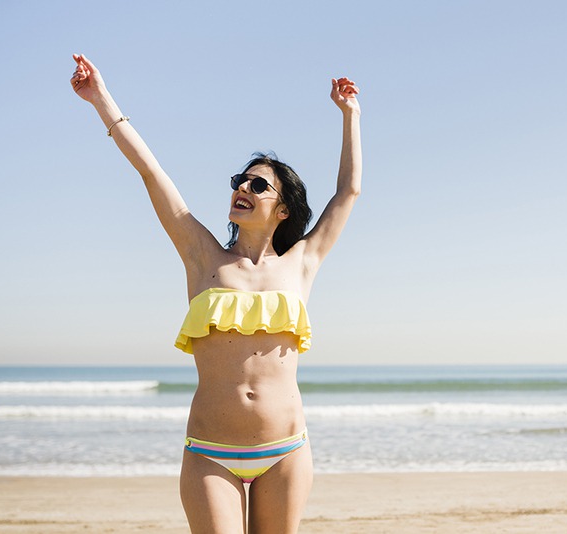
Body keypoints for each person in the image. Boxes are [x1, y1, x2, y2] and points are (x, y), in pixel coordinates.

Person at [70, 53, 361, 533]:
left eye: (257, 183)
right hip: (211, 452)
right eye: (238, 181)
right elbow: (151, 172)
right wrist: (100, 99)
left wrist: (350, 115)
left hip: (285, 449)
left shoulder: (302, 262)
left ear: (283, 208)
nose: (242, 187)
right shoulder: (201, 255)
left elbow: (348, 191)